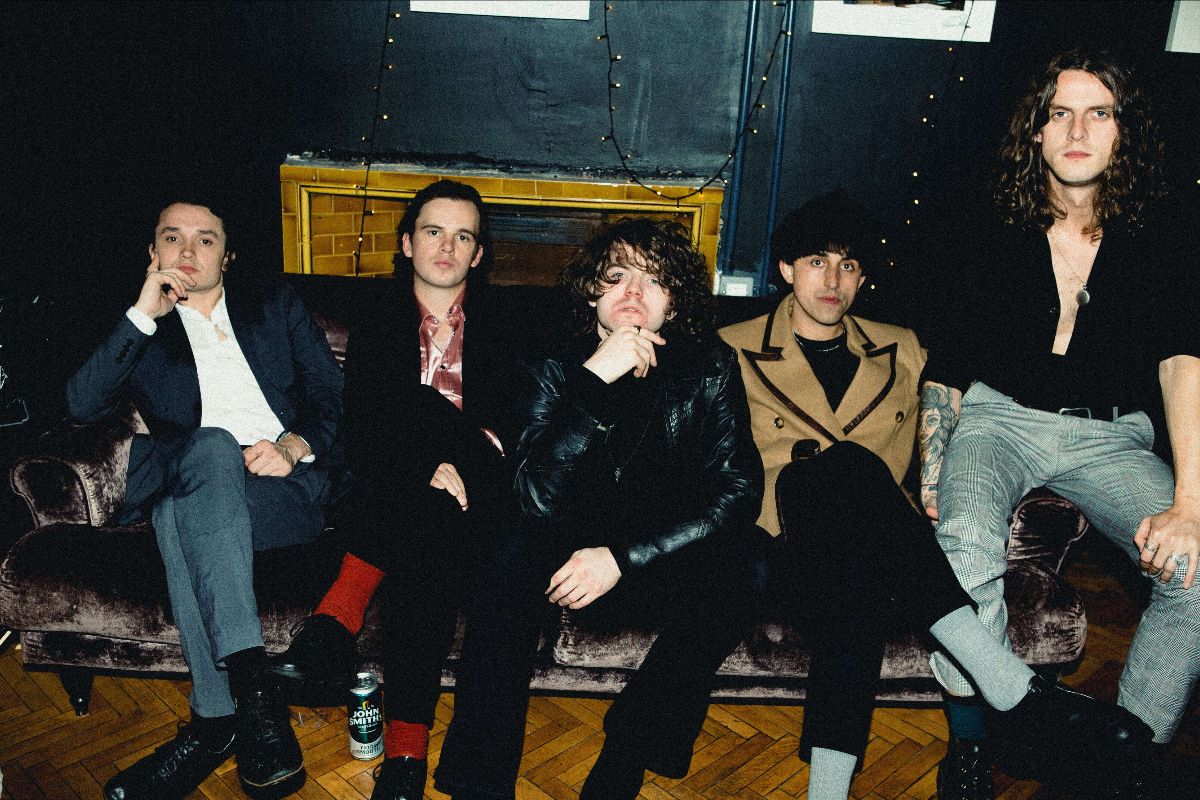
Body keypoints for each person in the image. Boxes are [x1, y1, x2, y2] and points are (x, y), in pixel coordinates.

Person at [720, 191, 1152, 800]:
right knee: (840, 466)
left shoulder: (902, 347)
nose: (833, 280)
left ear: (863, 279)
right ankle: (1007, 684)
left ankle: (828, 792)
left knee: (856, 578)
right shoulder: (730, 346)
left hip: (883, 550)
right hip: (779, 542)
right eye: (817, 262)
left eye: (848, 265)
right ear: (787, 269)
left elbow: (972, 405)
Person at [920, 48, 1200, 798]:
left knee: (1196, 571)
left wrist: (1190, 505)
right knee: (962, 550)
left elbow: (1184, 363)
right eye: (1060, 113)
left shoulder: (1164, 233)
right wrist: (932, 472)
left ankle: (1119, 758)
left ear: (1122, 131)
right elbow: (948, 363)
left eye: (1098, 113)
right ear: (1036, 131)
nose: (1078, 130)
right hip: (998, 418)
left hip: (1112, 434)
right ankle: (976, 739)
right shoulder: (987, 222)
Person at [431, 218, 764, 799]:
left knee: (750, 560)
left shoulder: (709, 363)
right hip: (557, 548)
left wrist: (620, 558)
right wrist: (593, 382)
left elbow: (739, 491)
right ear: (591, 291)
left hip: (651, 555)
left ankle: (629, 743)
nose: (633, 292)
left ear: (675, 301)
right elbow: (532, 495)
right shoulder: (553, 359)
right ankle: (479, 783)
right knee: (505, 550)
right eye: (617, 276)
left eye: (654, 279)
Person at [68, 198, 343, 800]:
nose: (188, 251)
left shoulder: (274, 305)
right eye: (173, 238)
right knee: (211, 447)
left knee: (175, 516)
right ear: (152, 252)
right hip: (194, 469)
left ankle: (215, 723)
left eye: (206, 239)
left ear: (228, 255)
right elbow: (80, 405)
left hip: (281, 488)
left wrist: (293, 445)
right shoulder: (143, 326)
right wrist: (144, 313)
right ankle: (254, 694)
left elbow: (334, 395)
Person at [271, 179, 527, 800]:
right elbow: (364, 432)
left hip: (481, 490)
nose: (447, 247)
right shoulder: (378, 319)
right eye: (434, 232)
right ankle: (407, 755)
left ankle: (338, 618)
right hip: (406, 489)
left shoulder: (511, 324)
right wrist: (433, 464)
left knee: (413, 408)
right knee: (425, 525)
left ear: (479, 254)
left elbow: (514, 435)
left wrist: (454, 455)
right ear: (408, 243)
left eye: (463, 236)